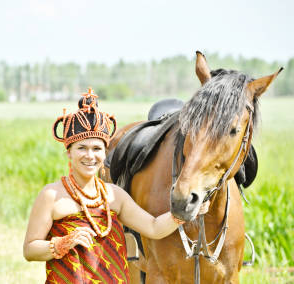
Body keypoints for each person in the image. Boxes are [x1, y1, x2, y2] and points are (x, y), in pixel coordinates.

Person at [23, 89, 209, 283]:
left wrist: (184, 213)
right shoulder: (52, 195)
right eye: (82, 148)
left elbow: (153, 228)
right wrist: (62, 243)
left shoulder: (115, 196)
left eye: (97, 149)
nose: (90, 156)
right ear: (69, 153)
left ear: (105, 153)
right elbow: (30, 250)